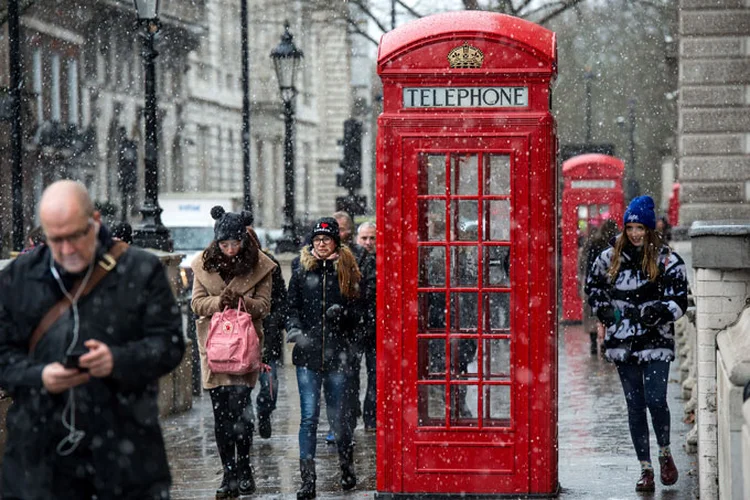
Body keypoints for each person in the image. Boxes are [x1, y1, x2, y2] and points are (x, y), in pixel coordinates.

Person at [0, 180, 185, 499]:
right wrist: (40, 376)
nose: (67, 249)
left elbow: (169, 344)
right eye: (56, 239)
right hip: (38, 463)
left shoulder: (139, 270)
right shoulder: (19, 278)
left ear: (95, 221)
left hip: (125, 458)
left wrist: (117, 360)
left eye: (75, 236)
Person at [585, 195, 688, 493]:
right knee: (634, 406)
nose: (634, 233)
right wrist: (603, 309)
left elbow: (679, 299)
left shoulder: (667, 259)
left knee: (656, 399)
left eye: (639, 227)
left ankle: (665, 453)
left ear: (649, 228)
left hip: (655, 340)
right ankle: (646, 469)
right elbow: (593, 288)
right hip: (623, 342)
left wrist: (661, 310)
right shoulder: (610, 257)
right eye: (630, 227)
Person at [190, 206, 276, 498]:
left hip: (244, 349)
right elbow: (196, 304)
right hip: (214, 351)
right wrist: (218, 302)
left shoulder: (260, 266)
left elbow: (264, 306)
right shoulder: (202, 265)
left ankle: (245, 468)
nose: (229, 249)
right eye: (223, 244)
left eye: (234, 243)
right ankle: (228, 473)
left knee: (242, 412)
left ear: (244, 240)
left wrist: (241, 301)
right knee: (221, 415)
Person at [287, 217, 362, 499]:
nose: (320, 244)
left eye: (326, 239)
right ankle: (308, 480)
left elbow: (361, 314)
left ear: (335, 242)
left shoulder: (348, 272)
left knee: (338, 418)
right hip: (307, 355)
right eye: (316, 240)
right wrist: (294, 327)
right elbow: (290, 306)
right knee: (308, 418)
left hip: (337, 356)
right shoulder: (301, 270)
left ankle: (346, 466)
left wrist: (342, 314)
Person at [246, 225, 287, 439]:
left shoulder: (270, 264)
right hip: (241, 337)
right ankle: (246, 423)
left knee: (269, 385)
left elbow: (281, 296)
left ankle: (264, 413)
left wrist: (275, 321)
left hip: (267, 334)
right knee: (242, 387)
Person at [350, 221, 377, 431]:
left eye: (372, 238)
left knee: (376, 374)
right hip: (355, 326)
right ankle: (353, 411)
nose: (368, 242)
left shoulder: (384, 261)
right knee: (351, 373)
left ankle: (371, 416)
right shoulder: (350, 261)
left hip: (378, 327)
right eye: (364, 238)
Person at [579, 219, 619, 355]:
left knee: (592, 315)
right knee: (606, 315)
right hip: (608, 285)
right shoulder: (613, 245)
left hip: (594, 284)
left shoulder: (594, 243)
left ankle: (593, 344)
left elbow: (587, 265)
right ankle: (605, 344)